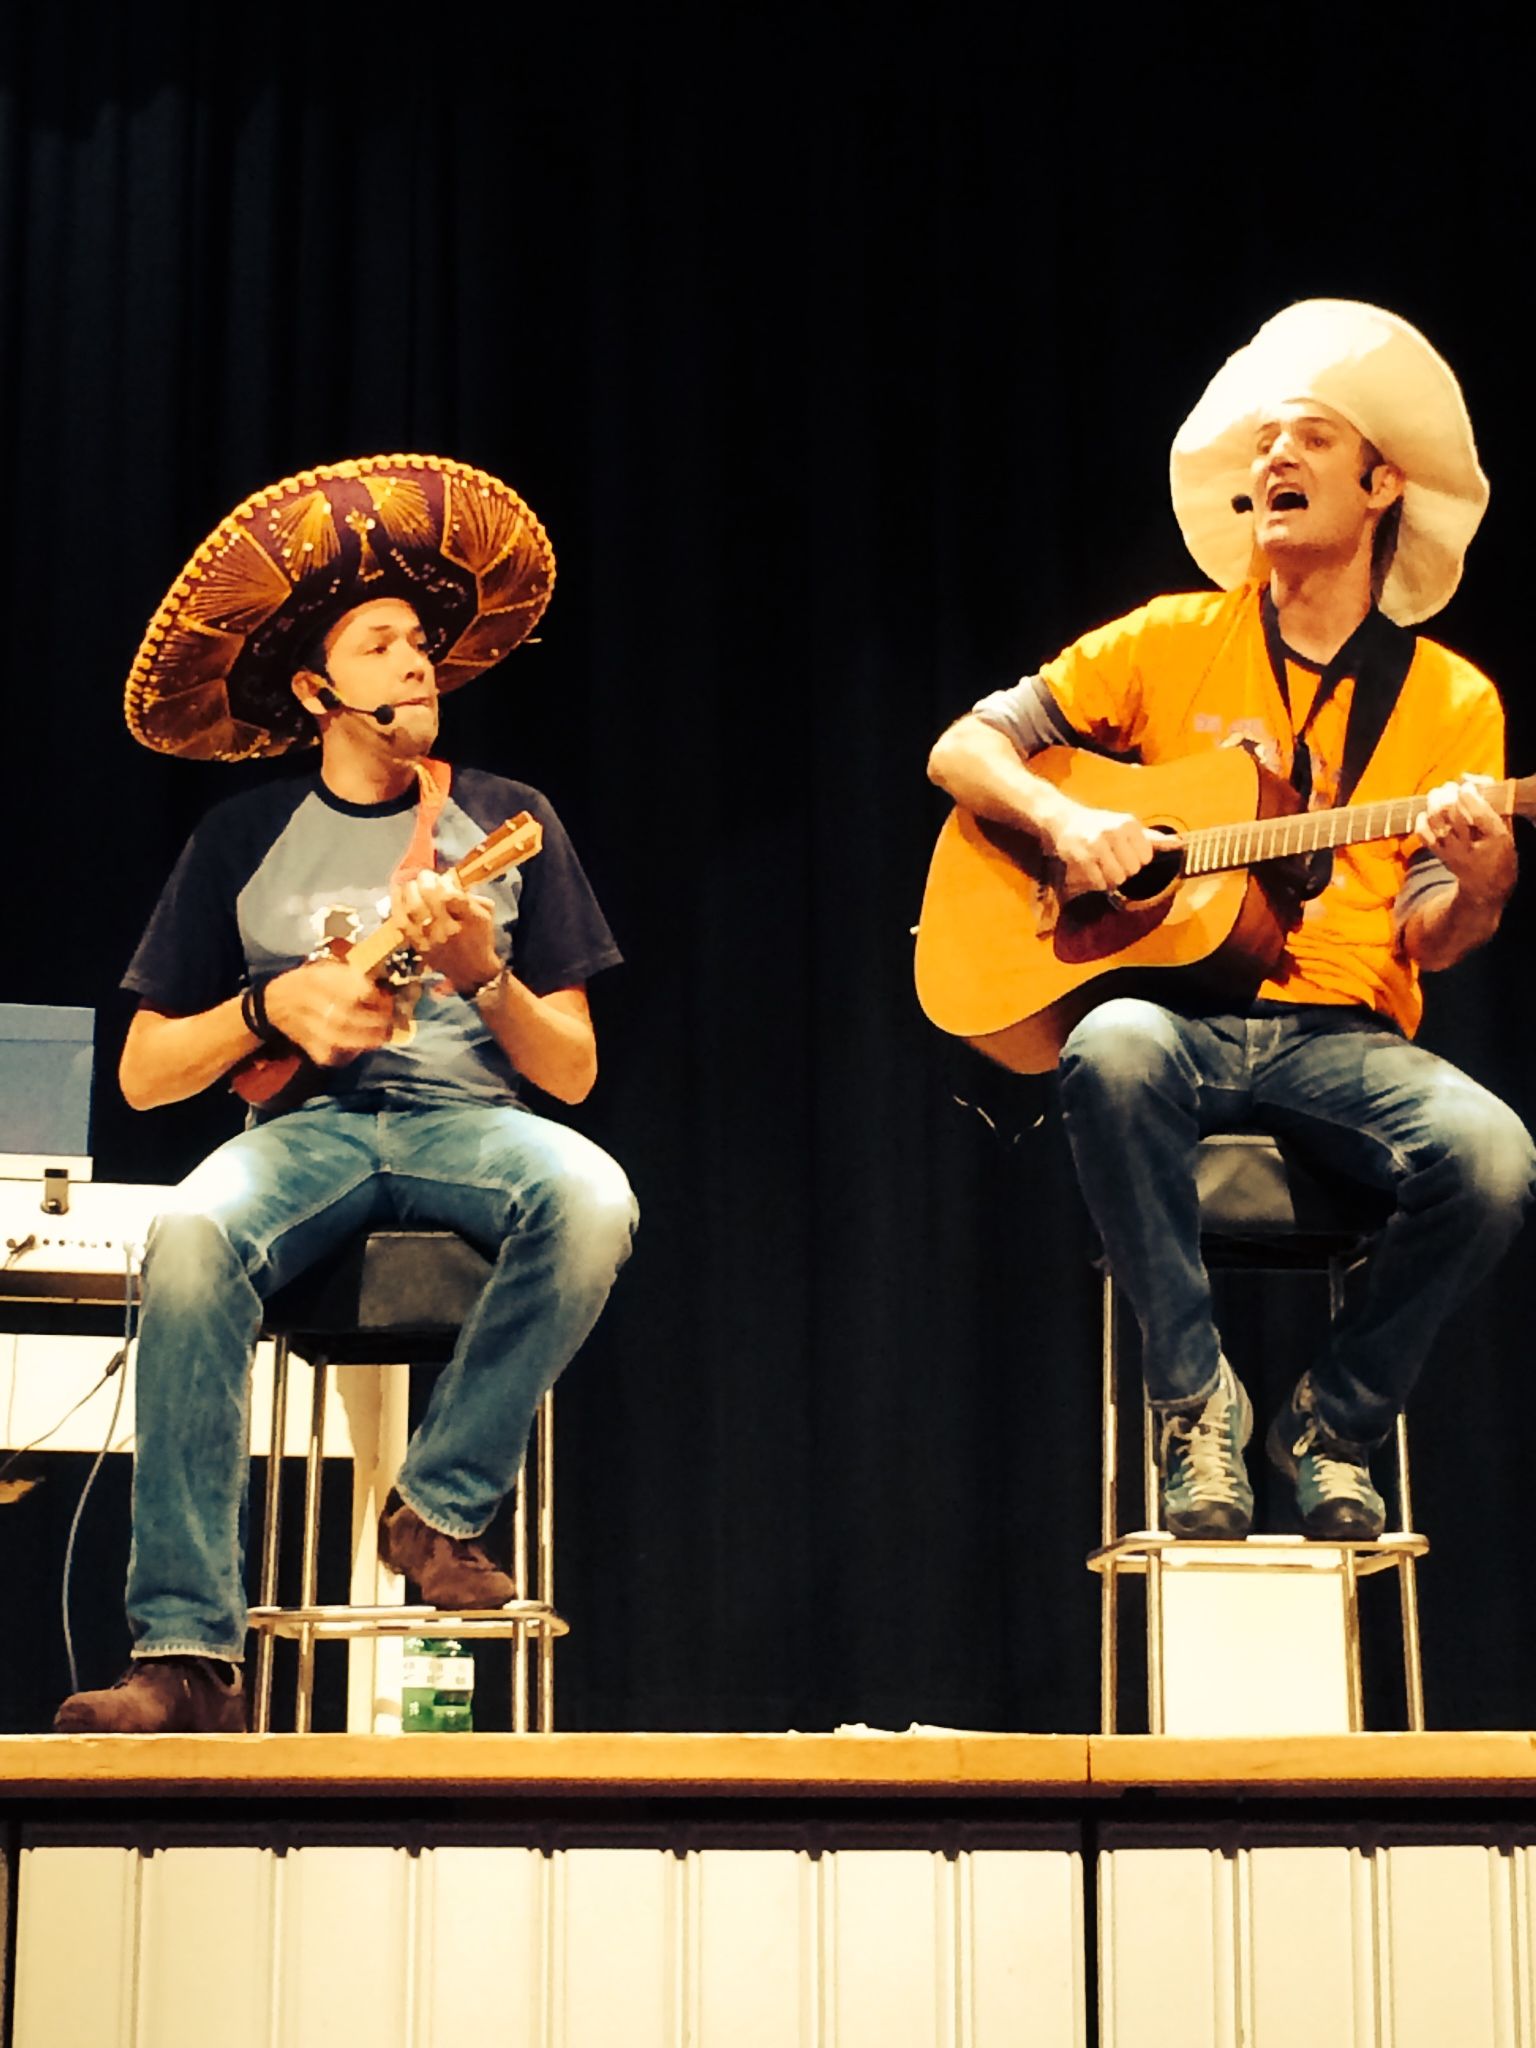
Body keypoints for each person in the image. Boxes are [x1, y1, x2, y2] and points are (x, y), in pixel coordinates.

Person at [927, 301, 1535, 1544]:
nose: (1274, 460)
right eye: (1265, 442)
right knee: (1112, 1046)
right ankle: (1196, 1402)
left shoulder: (1450, 698)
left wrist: (1480, 878)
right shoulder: (1167, 639)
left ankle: (1336, 1416)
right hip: (1182, 1022)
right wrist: (1063, 821)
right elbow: (963, 746)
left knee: (1493, 1158)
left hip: (1343, 1035)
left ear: (1380, 486)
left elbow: (1433, 932)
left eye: (1309, 438)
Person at [55, 455, 638, 1733]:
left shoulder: (505, 816)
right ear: (321, 689)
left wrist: (487, 976)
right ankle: (188, 1658)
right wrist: (269, 1007)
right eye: (381, 643)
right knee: (192, 1234)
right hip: (306, 1133)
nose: (417, 660)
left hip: (472, 1126)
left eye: (423, 642)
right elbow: (149, 1072)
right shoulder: (241, 836)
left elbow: (575, 1072)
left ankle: (436, 1506)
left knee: (595, 1198)